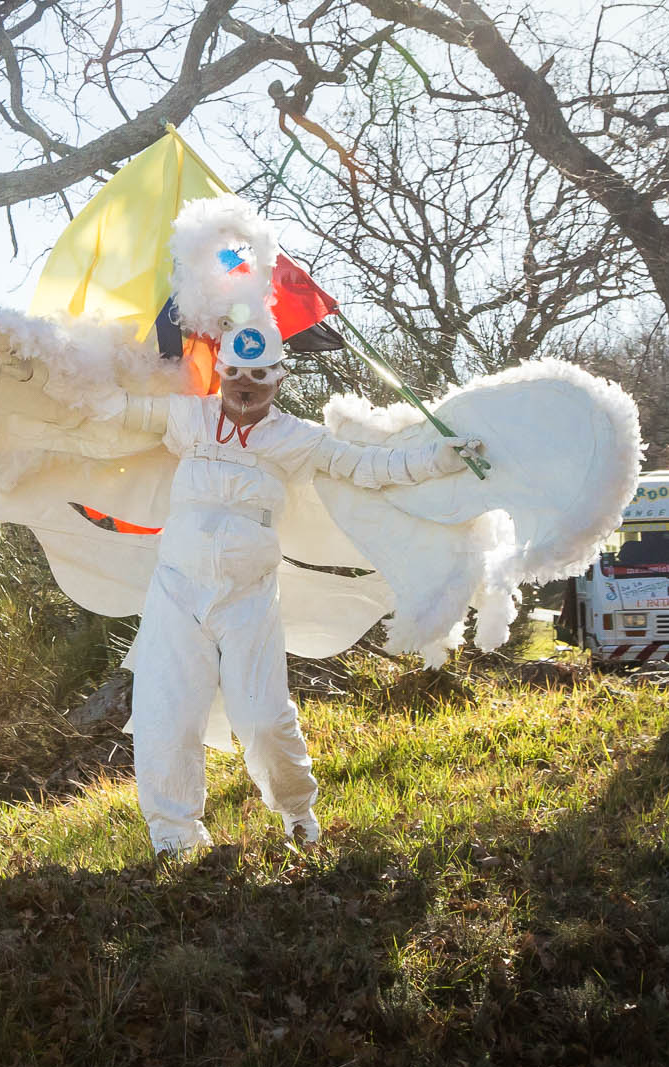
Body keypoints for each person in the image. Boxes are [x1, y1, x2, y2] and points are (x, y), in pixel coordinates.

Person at [105, 320, 482, 855]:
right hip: (177, 593)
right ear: (220, 372)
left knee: (262, 721)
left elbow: (371, 467)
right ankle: (174, 841)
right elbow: (113, 412)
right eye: (233, 371)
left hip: (248, 598)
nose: (243, 384)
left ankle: (298, 818)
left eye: (257, 375)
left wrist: (438, 459)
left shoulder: (295, 437)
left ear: (278, 378)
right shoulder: (189, 417)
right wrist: (32, 380)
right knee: (162, 719)